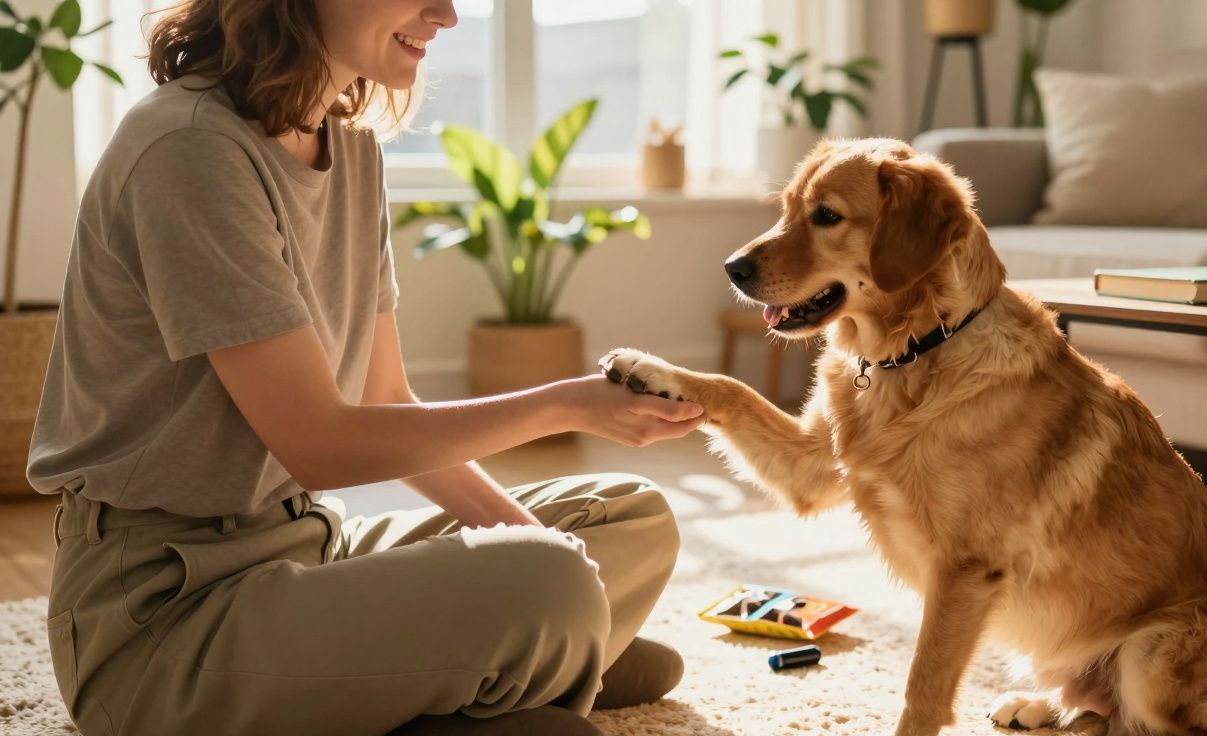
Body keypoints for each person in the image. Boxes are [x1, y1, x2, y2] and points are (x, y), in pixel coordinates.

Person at [25, 1, 704, 734]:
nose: (445, 15)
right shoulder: (189, 149)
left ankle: (533, 651)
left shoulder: (351, 147)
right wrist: (565, 407)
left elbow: (387, 398)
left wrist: (548, 547)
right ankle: (538, 654)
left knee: (628, 517)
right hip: (166, 618)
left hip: (308, 550)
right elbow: (318, 444)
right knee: (551, 585)